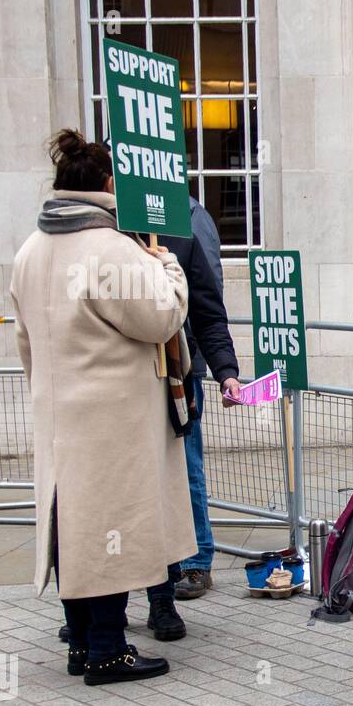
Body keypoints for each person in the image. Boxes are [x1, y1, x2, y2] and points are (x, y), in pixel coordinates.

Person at [10, 129, 195, 685]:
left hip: (60, 413)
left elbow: (24, 342)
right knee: (111, 527)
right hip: (113, 417)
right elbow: (161, 317)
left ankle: (82, 645)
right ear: (109, 185)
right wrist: (167, 266)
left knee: (72, 526)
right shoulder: (111, 248)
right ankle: (109, 649)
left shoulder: (30, 250)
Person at [156, 198, 241, 612]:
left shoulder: (188, 216)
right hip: (131, 374)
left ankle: (195, 559)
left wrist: (224, 367)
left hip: (180, 367)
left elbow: (209, 301)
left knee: (186, 463)